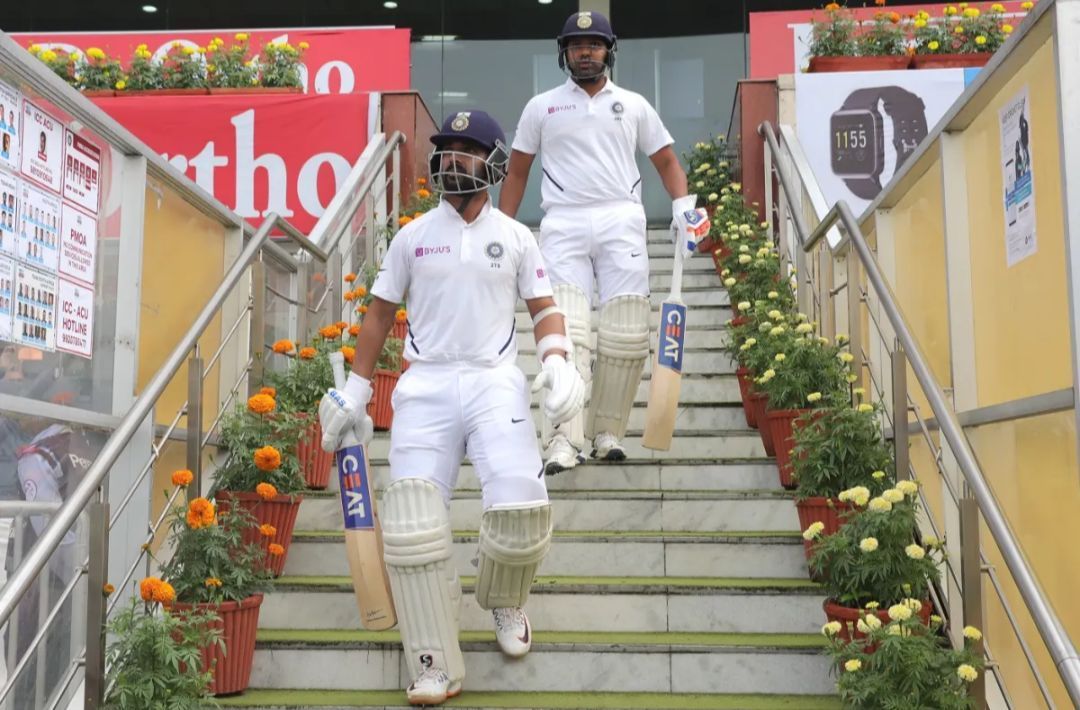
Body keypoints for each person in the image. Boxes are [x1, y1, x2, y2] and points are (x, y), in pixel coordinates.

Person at [318, 109, 585, 706]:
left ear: (491, 161)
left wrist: (558, 359)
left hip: (495, 381)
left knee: (520, 507)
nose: (453, 159)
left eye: (467, 150)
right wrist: (357, 390)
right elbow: (381, 313)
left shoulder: (516, 235)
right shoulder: (413, 235)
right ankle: (433, 659)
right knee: (413, 523)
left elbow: (543, 306)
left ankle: (506, 598)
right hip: (426, 385)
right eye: (447, 149)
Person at [499, 10, 709, 474]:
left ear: (609, 50)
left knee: (627, 333)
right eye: (577, 46)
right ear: (564, 53)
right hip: (564, 222)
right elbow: (517, 171)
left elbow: (668, 162)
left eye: (594, 44)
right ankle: (561, 439)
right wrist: (499, 229)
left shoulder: (633, 104)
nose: (586, 52)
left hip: (621, 219)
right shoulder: (542, 107)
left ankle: (607, 432)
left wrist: (682, 207)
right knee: (567, 331)